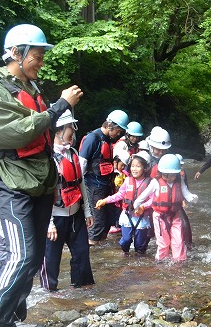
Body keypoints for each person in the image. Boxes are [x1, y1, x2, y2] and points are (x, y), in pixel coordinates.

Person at [0, 23, 83, 327]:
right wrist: (59, 107)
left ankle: (13, 318)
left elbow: (40, 134)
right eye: (37, 55)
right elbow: (13, 131)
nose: (41, 61)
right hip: (11, 182)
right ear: (15, 53)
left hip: (37, 181)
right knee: (20, 254)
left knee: (34, 256)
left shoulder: (33, 89)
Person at [41, 110, 94, 290]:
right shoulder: (48, 159)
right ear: (57, 131)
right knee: (51, 257)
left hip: (76, 213)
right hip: (55, 217)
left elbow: (81, 184)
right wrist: (48, 224)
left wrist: (87, 211)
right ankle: (50, 291)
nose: (73, 131)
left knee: (82, 252)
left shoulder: (73, 154)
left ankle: (83, 288)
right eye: (69, 127)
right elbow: (43, 194)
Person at [133, 153, 197, 262]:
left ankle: (179, 263)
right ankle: (161, 263)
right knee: (163, 242)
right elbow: (142, 197)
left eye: (172, 175)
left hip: (175, 215)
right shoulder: (156, 182)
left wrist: (192, 198)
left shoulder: (179, 179)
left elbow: (186, 193)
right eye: (165, 175)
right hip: (160, 217)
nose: (168, 178)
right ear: (161, 172)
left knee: (178, 241)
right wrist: (136, 206)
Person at [79, 109, 129, 244]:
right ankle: (90, 250)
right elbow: (81, 163)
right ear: (110, 125)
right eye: (118, 131)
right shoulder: (92, 138)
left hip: (105, 185)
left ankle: (100, 252)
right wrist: (80, 188)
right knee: (98, 223)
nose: (119, 134)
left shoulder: (106, 139)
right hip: (93, 186)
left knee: (108, 222)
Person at [97, 151, 153, 256]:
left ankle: (139, 261)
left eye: (138, 166)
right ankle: (125, 255)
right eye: (132, 166)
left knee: (140, 246)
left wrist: (143, 206)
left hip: (142, 217)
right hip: (128, 215)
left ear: (145, 168)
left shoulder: (150, 183)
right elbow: (119, 195)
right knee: (126, 240)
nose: (134, 169)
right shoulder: (127, 181)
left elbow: (153, 199)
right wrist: (105, 200)